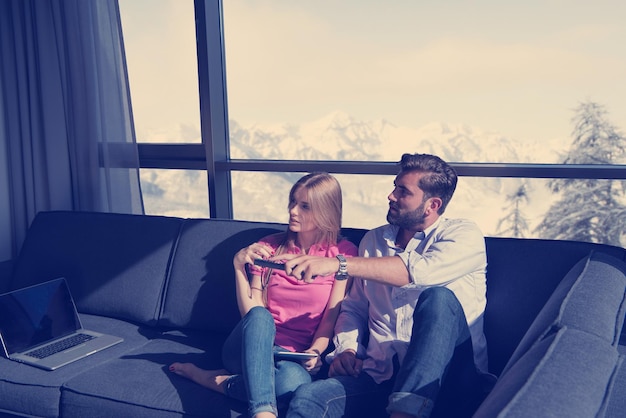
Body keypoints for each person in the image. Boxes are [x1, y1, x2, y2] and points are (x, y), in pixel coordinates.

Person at [281, 153, 492, 418]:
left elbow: (418, 273)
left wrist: (339, 264)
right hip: (379, 378)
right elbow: (354, 309)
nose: (391, 195)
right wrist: (348, 348)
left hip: (449, 382)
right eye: (394, 187)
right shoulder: (374, 241)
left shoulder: (463, 235)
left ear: (432, 205)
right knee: (310, 397)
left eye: (403, 191)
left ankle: (405, 412)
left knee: (438, 299)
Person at [169, 172, 358, 418]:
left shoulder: (342, 255)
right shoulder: (268, 247)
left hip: (291, 358)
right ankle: (263, 414)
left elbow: (331, 318)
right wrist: (238, 266)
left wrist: (315, 351)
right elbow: (252, 315)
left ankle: (211, 379)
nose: (292, 211)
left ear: (326, 211)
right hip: (248, 346)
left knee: (293, 384)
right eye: (292, 202)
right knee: (261, 316)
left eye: (304, 206)